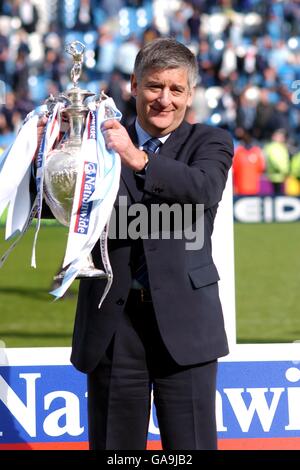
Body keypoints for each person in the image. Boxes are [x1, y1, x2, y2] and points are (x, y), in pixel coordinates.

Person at [40, 38, 233, 450]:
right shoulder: (94, 141)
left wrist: (139, 159)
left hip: (186, 325)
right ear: (133, 85)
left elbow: (204, 189)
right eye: (154, 86)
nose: (164, 99)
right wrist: (47, 156)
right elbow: (49, 207)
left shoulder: (210, 142)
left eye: (176, 89)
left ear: (190, 94)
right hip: (114, 324)